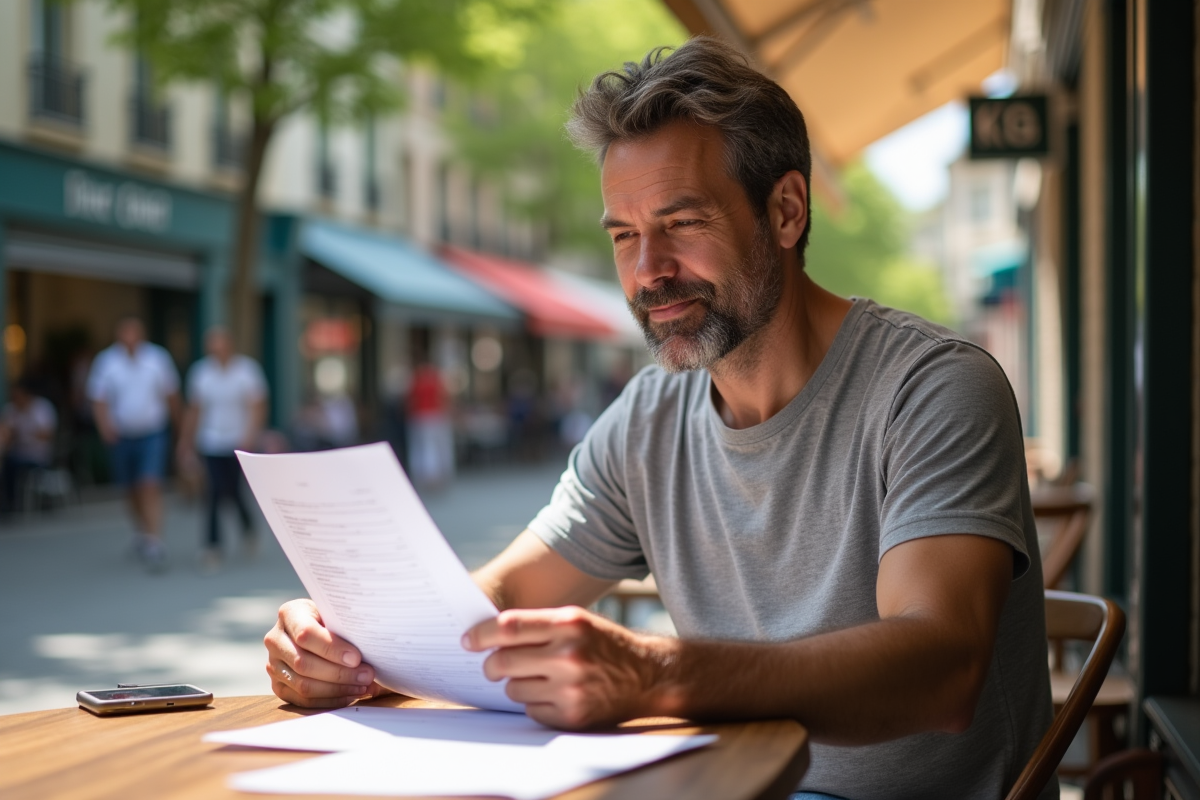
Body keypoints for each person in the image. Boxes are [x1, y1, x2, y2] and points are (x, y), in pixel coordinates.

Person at [264, 38, 1054, 800]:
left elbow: (941, 669)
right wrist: (352, 643)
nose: (648, 273)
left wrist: (655, 675)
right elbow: (504, 594)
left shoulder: (935, 388)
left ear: (785, 211)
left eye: (682, 223)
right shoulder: (650, 415)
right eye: (624, 236)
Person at [87, 317, 180, 571]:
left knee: (149, 484)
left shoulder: (157, 359)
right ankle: (142, 531)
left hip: (152, 433)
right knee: (129, 489)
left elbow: (171, 395)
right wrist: (105, 427)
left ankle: (154, 540)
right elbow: (99, 399)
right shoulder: (106, 362)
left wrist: (177, 429)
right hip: (122, 435)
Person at [179, 326, 267, 572]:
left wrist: (250, 435)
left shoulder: (247, 371)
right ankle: (212, 545)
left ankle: (248, 528)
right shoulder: (201, 373)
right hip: (211, 442)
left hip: (238, 442)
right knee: (214, 492)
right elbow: (194, 409)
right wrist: (186, 441)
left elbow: (257, 405)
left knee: (234, 491)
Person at [0, 379, 58, 513]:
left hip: (38, 457)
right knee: (8, 464)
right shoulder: (11, 410)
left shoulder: (42, 407)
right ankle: (9, 503)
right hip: (17, 454)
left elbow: (47, 434)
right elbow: (6, 435)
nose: (16, 399)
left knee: (12, 465)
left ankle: (14, 504)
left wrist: (24, 434)